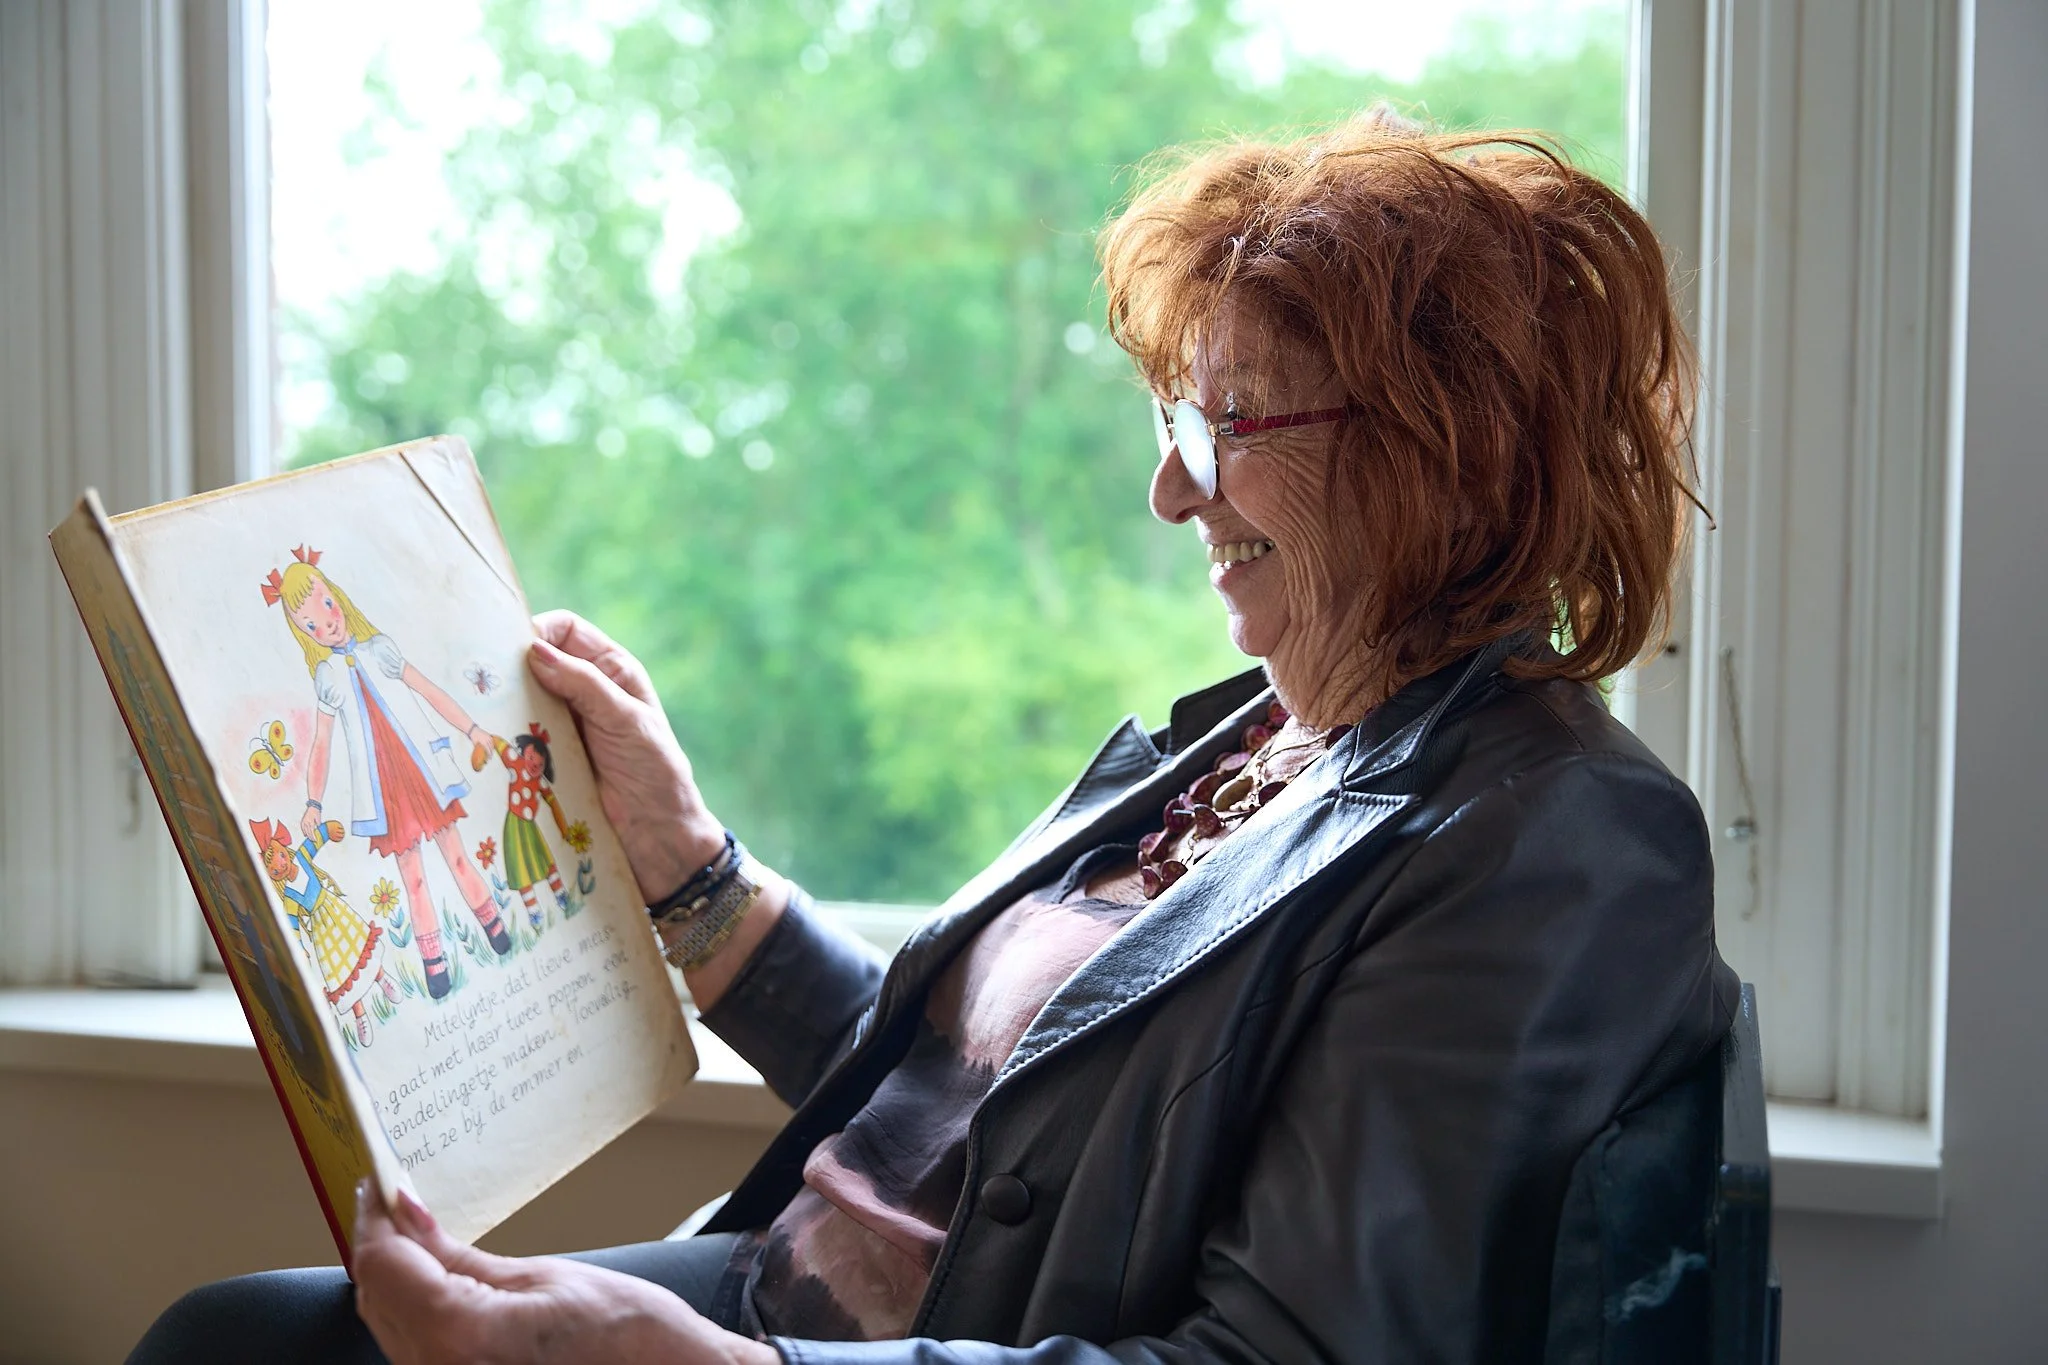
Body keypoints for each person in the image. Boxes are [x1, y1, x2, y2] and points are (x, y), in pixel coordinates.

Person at [130, 111, 1736, 1365]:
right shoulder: (1261, 734)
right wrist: (690, 865)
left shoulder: (1562, 839)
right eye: (1174, 424)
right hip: (785, 1296)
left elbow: (1280, 1355)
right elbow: (976, 1121)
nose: (1170, 489)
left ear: (1435, 454)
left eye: (1223, 427)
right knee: (241, 1335)